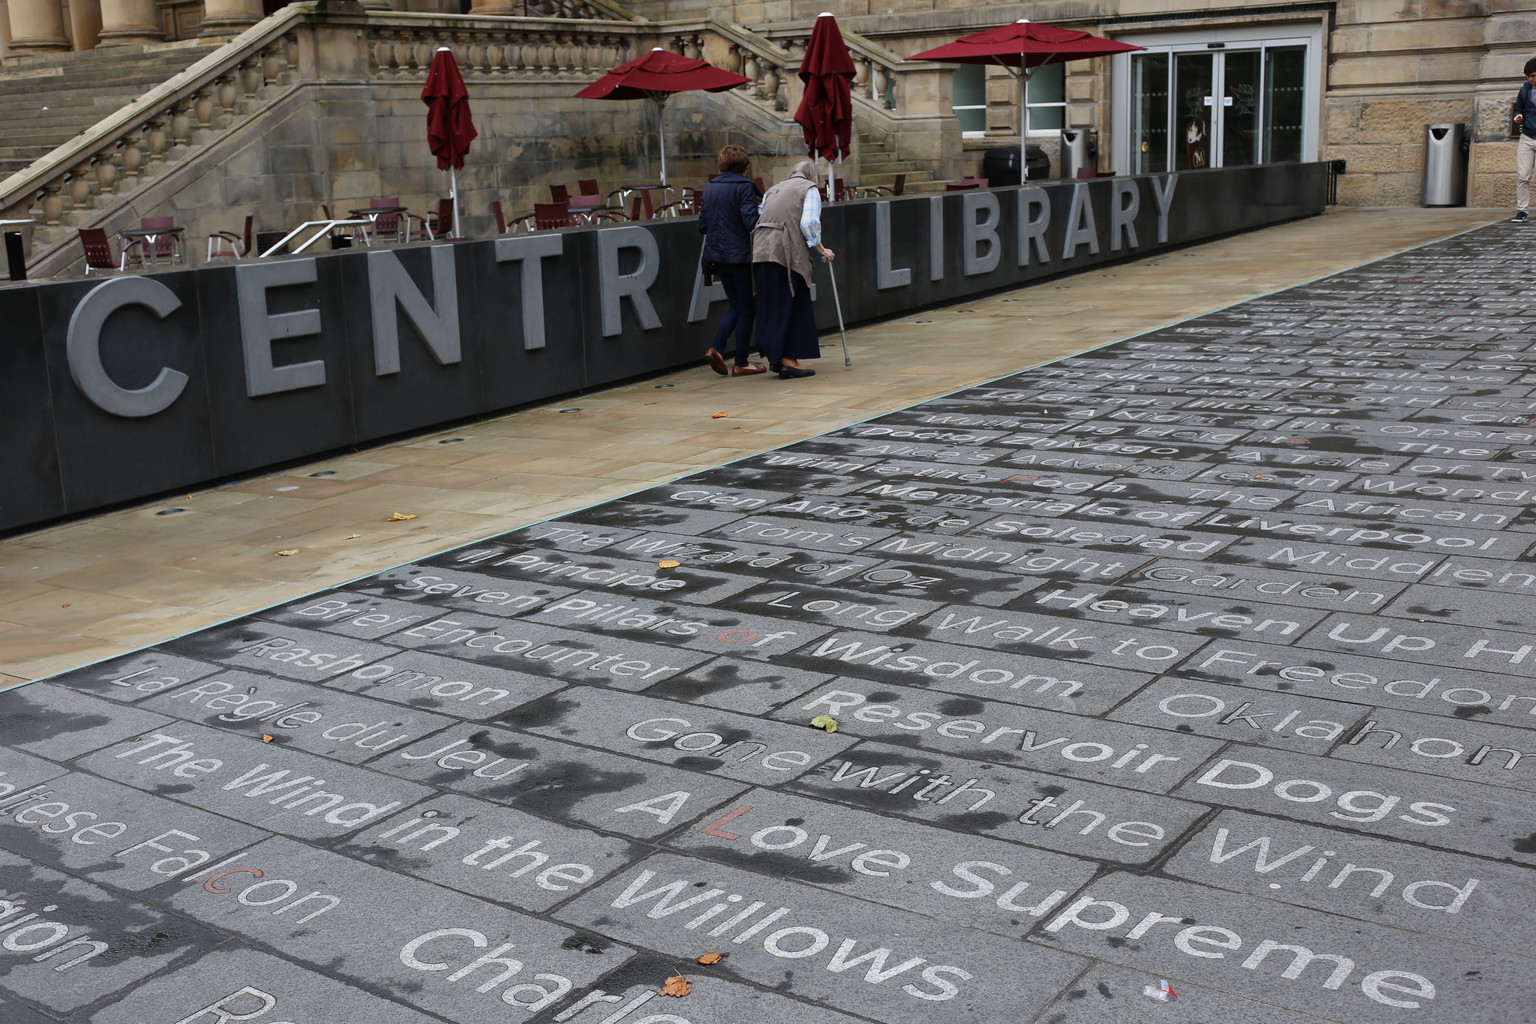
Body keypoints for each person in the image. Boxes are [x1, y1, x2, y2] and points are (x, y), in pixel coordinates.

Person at [752, 159, 834, 380]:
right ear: (813, 176)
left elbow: (761, 216)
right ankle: (789, 360)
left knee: (772, 305)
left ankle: (776, 357)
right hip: (786, 254)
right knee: (792, 304)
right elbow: (808, 223)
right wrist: (821, 249)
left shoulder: (773, 189)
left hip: (761, 251)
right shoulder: (809, 189)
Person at [697, 145, 765, 375]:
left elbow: (702, 225)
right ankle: (739, 361)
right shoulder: (744, 187)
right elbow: (751, 223)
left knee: (737, 305)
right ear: (745, 167)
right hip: (741, 257)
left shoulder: (710, 187)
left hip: (717, 256)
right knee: (746, 309)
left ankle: (718, 349)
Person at [1514, 57, 1536, 223]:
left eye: (1533, 75)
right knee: (1523, 176)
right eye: (1528, 76)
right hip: (1527, 137)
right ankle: (1522, 211)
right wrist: (1518, 116)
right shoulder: (1525, 90)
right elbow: (1518, 108)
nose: (1531, 79)